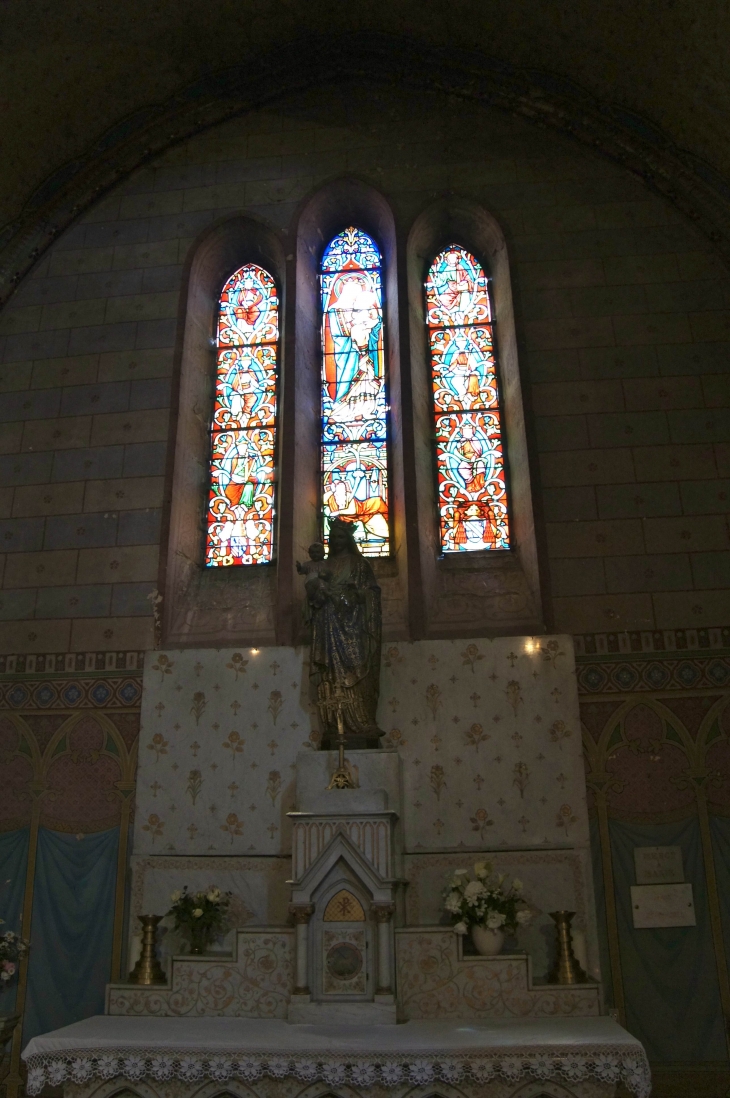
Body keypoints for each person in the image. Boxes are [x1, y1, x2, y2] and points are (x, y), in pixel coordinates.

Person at [304, 518, 383, 745]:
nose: (336, 541)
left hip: (354, 625)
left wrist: (355, 594)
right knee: (331, 673)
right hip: (328, 624)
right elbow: (312, 593)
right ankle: (334, 725)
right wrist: (317, 595)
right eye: (333, 537)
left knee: (358, 668)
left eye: (340, 537)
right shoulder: (323, 565)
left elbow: (372, 593)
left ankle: (362, 722)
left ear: (347, 539)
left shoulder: (360, 564)